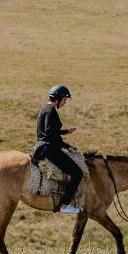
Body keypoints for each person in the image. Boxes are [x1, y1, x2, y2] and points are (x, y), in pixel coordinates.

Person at [36, 84, 82, 214]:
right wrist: (69, 147)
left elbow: (49, 131)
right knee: (77, 173)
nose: (65, 103)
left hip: (42, 146)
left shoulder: (44, 108)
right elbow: (52, 137)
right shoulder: (52, 111)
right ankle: (65, 205)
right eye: (64, 100)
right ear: (58, 98)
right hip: (51, 150)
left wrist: (66, 131)